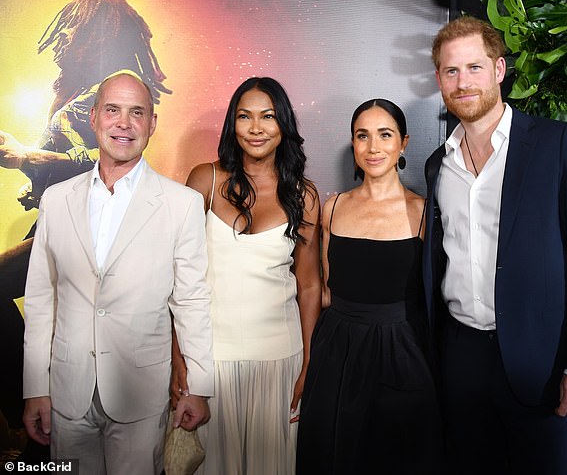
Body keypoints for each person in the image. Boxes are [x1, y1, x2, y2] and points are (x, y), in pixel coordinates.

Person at [423, 16, 567, 474]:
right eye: (451, 71)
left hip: (540, 360)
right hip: (461, 358)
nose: (463, 81)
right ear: (439, 81)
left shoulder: (556, 145)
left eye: (474, 67)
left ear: (499, 69)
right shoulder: (438, 165)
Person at [22, 72, 213, 474]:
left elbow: (192, 301)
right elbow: (42, 303)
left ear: (152, 124)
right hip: (68, 394)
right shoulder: (56, 201)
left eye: (136, 112)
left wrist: (199, 387)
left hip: (141, 395)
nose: (123, 123)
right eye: (112, 110)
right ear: (93, 118)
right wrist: (35, 388)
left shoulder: (182, 204)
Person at [0, 0, 170, 439]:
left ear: (96, 30)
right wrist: (33, 186)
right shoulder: (79, 91)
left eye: (75, 25)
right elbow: (72, 162)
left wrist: (23, 157)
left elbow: (98, 162)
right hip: (62, 224)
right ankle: (40, 426)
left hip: (94, 231)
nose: (64, 36)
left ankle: (30, 416)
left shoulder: (108, 91)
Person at [171, 77, 321, 475]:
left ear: (283, 124)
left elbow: (309, 286)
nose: (256, 128)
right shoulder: (206, 179)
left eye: (268, 116)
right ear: (232, 125)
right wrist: (179, 358)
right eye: (245, 116)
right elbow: (180, 280)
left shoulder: (303, 195)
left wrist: (309, 361)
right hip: (210, 363)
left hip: (279, 363)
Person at [296, 99, 444, 474]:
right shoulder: (333, 207)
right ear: (353, 143)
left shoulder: (424, 212)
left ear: (404, 143)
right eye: (363, 136)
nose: (373, 147)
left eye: (385, 135)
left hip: (404, 353)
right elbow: (326, 288)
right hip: (337, 354)